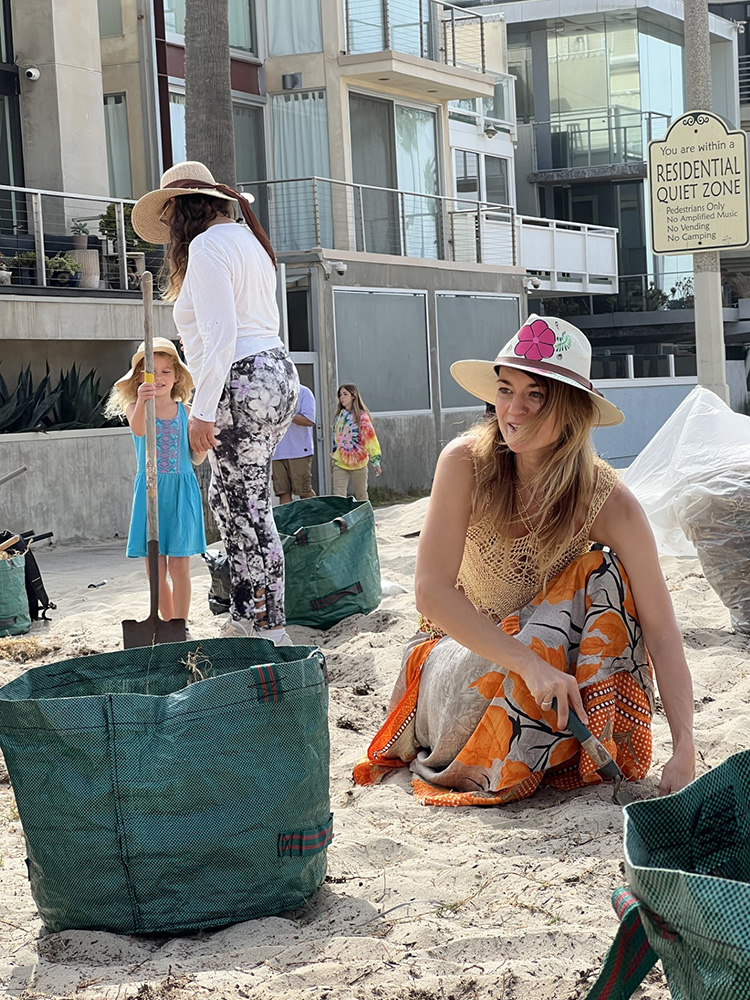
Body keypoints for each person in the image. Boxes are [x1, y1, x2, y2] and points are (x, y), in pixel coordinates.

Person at [354, 315, 695, 806]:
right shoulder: (465, 463)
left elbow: (662, 628)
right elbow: (430, 592)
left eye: (536, 395)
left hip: (549, 694)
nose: (513, 409)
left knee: (606, 579)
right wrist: (530, 663)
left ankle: (572, 752)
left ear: (574, 412)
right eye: (506, 389)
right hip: (455, 674)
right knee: (544, 629)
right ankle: (511, 754)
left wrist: (685, 744)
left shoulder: (607, 501)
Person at [131, 161, 299, 644]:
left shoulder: (207, 246)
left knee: (247, 506)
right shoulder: (250, 241)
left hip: (240, 380)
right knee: (229, 500)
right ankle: (247, 615)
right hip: (273, 376)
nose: (168, 232)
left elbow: (221, 335)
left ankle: (270, 626)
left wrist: (201, 413)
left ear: (183, 210)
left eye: (168, 220)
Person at [106, 338, 207, 627]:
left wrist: (204, 443)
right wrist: (143, 400)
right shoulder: (135, 407)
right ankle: (166, 622)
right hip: (151, 491)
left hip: (181, 491)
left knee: (180, 565)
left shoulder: (186, 412)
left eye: (166, 371)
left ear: (177, 376)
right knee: (155, 566)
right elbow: (139, 430)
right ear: (140, 377)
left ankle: (181, 624)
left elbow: (196, 458)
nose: (159, 378)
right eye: (152, 372)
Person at [331, 383, 382, 501]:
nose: (341, 398)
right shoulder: (339, 417)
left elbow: (370, 439)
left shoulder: (362, 417)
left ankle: (364, 519)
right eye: (340, 395)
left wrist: (375, 460)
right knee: (338, 497)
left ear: (353, 396)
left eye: (345, 394)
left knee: (361, 496)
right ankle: (341, 519)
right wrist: (333, 457)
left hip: (359, 463)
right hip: (340, 463)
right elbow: (336, 439)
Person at [272, 384, 316, 504]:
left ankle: (315, 519)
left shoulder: (304, 392)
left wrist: (288, 415)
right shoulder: (272, 393)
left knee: (304, 491)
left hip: (299, 452)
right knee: (283, 492)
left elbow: (309, 420)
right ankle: (289, 522)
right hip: (277, 452)